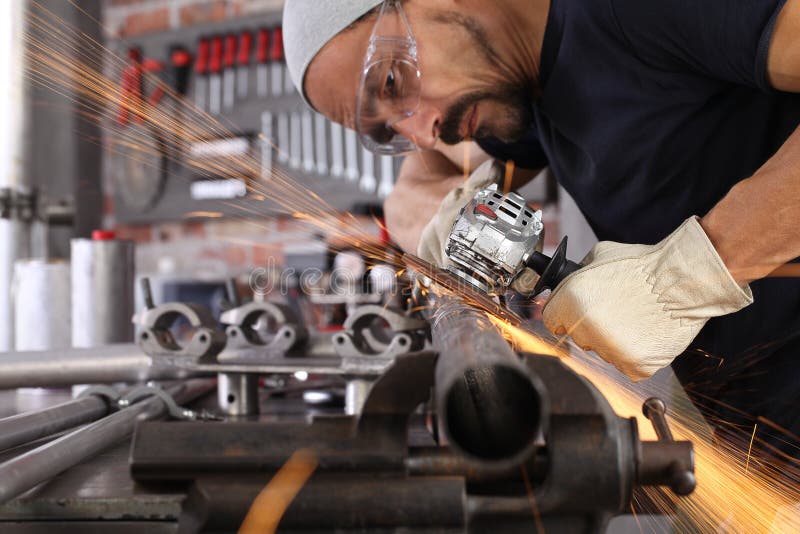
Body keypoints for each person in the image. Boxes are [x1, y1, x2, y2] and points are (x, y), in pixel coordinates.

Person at [282, 0, 800, 466]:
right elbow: (411, 188)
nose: (422, 132)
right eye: (387, 129)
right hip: (766, 442)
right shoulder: (523, 80)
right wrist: (442, 217)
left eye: (393, 82)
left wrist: (690, 277)